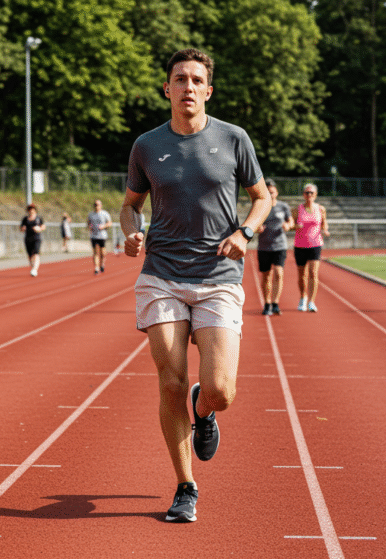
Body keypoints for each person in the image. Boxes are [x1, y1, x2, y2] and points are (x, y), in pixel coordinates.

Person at [120, 48, 272, 523]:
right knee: (170, 381)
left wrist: (244, 233)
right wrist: (131, 230)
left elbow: (261, 197)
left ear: (209, 90)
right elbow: (130, 203)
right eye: (179, 79)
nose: (187, 87)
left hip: (218, 277)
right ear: (167, 88)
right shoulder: (147, 145)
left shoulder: (233, 139)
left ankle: (203, 412)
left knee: (222, 390)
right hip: (162, 275)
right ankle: (186, 486)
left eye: (196, 80)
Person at [256, 179, 294, 315]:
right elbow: (252, 224)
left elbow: (290, 221)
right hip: (264, 246)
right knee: (266, 276)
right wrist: (257, 228)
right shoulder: (259, 206)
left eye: (272, 192)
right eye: (268, 191)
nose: (270, 194)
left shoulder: (283, 206)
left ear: (276, 192)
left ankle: (275, 303)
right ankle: (267, 303)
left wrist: (288, 226)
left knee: (278, 273)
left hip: (280, 245)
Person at [292, 183, 329, 312]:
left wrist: (325, 230)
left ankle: (312, 301)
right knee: (302, 275)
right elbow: (291, 224)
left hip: (316, 244)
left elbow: (324, 223)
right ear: (303, 194)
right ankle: (303, 298)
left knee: (313, 273)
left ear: (315, 195)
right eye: (307, 193)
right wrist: (296, 226)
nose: (309, 195)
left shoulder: (321, 209)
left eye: (311, 193)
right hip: (300, 245)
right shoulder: (297, 209)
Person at [20, 204, 45, 277]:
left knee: (36, 253)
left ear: (35, 210)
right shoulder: (25, 219)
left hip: (36, 238)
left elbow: (43, 226)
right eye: (30, 209)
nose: (31, 210)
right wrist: (23, 229)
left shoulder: (38, 218)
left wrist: (39, 229)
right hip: (28, 239)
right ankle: (33, 268)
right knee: (30, 256)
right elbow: (21, 228)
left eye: (32, 209)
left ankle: (34, 269)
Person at [88, 199, 113, 273]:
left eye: (98, 204)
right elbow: (88, 223)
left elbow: (109, 223)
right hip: (94, 236)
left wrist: (104, 226)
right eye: (95, 204)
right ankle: (96, 267)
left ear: (101, 205)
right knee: (95, 252)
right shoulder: (91, 214)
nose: (96, 206)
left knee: (103, 253)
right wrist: (90, 226)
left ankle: (102, 264)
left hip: (102, 236)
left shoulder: (104, 214)